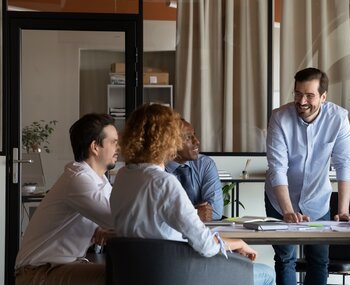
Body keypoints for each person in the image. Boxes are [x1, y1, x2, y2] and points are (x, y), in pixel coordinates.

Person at [110, 104, 275, 285]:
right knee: (266, 274)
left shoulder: (123, 177)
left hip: (134, 274)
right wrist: (237, 243)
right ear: (168, 139)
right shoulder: (163, 182)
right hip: (176, 272)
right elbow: (205, 245)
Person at [265, 67, 350, 285]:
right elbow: (277, 167)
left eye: (309, 95)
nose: (302, 100)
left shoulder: (339, 118)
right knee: (285, 258)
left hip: (317, 200)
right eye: (297, 94)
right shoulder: (279, 118)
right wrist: (288, 211)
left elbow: (344, 165)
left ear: (323, 97)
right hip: (280, 201)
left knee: (318, 259)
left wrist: (343, 210)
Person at [15, 114, 119, 285]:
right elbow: (118, 218)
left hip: (59, 266)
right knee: (120, 275)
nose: (119, 147)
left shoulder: (100, 181)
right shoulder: (78, 179)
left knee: (124, 272)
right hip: (37, 272)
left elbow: (117, 217)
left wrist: (109, 229)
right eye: (114, 142)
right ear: (95, 147)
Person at [165, 118, 223, 221]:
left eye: (194, 135)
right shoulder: (156, 172)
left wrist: (182, 214)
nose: (197, 141)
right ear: (171, 143)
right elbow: (159, 216)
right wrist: (196, 213)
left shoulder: (205, 164)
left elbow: (215, 212)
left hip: (202, 232)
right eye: (188, 137)